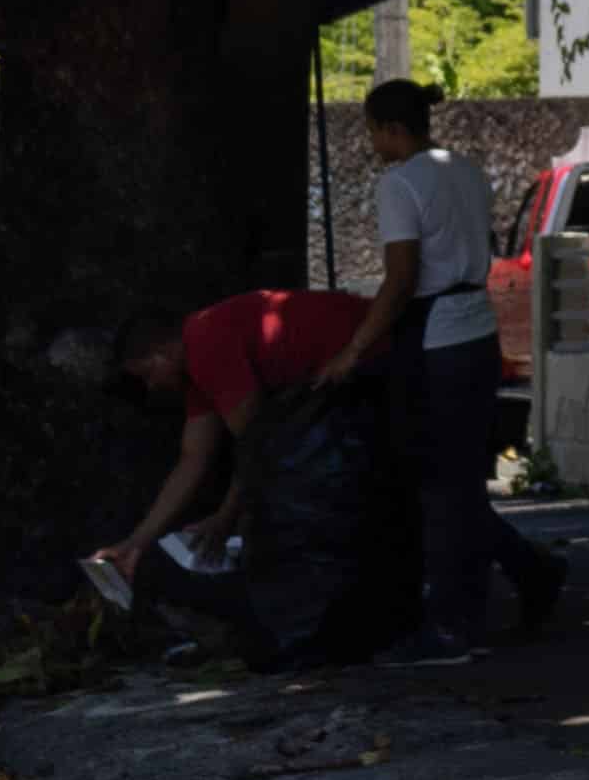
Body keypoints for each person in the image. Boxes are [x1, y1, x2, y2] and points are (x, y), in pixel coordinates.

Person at [337, 76, 552, 666]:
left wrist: (355, 349)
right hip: (479, 328)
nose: (373, 144)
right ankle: (530, 571)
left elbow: (401, 278)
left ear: (389, 128)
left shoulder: (401, 183)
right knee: (457, 483)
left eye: (373, 133)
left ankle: (454, 623)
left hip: (436, 339)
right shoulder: (465, 168)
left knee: (439, 488)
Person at [98, 283, 374, 603]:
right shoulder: (196, 370)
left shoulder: (206, 344)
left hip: (371, 351)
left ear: (165, 351)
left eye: (148, 373)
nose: (152, 386)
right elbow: (193, 458)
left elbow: (256, 441)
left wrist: (227, 513)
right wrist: (135, 543)